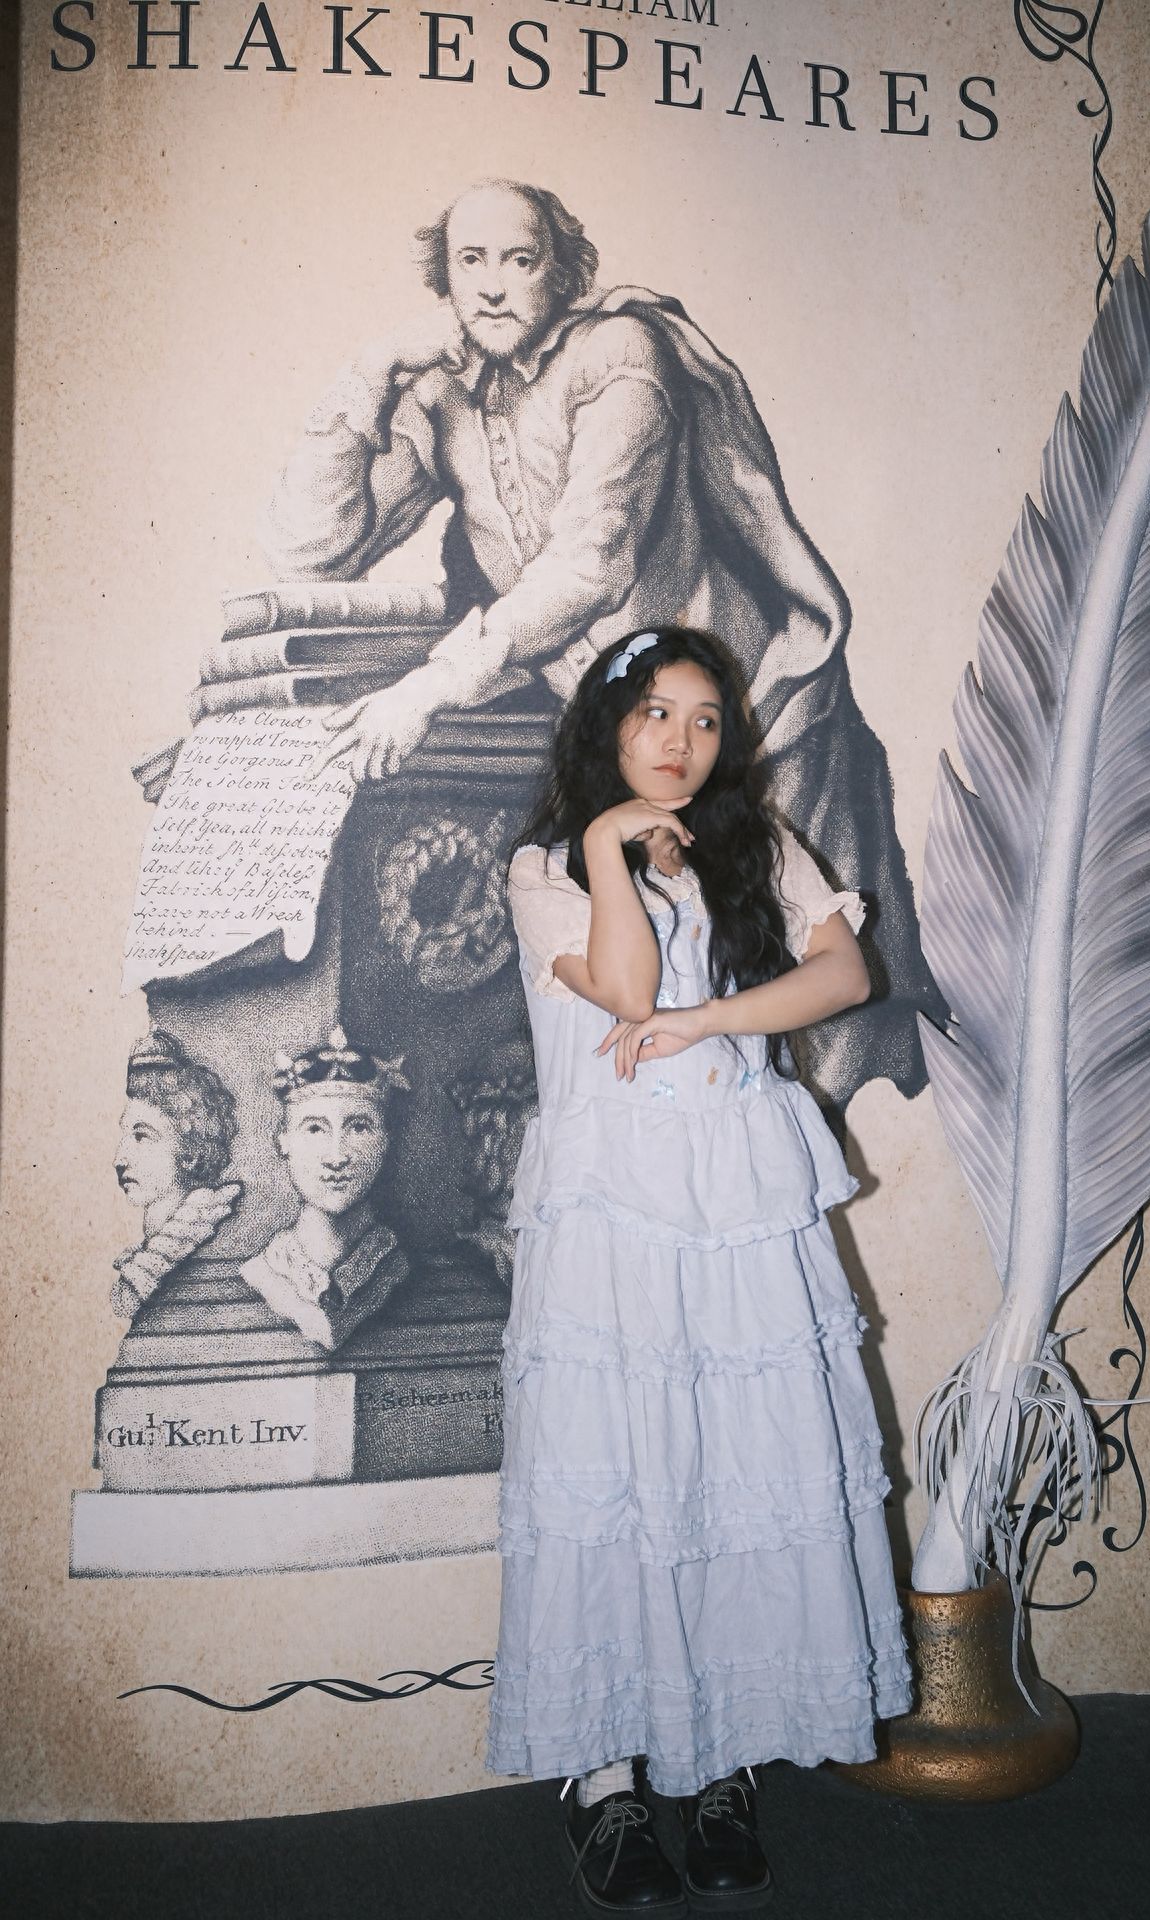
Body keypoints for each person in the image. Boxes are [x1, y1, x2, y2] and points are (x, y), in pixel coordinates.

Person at [263, 178, 944, 1109]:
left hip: (744, 722)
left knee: (784, 1031)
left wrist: (430, 685)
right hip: (614, 746)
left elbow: (594, 559)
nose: (494, 286)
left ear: (564, 271)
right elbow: (313, 548)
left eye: (520, 259)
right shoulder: (439, 391)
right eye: (471, 261)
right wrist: (367, 374)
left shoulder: (619, 353)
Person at [487, 628, 911, 1915]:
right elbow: (620, 987)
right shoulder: (543, 865)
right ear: (605, 729)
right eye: (654, 716)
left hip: (735, 1188)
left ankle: (721, 1758)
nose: (680, 743)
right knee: (616, 1471)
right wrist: (614, 850)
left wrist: (714, 1017)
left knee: (735, 1463)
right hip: (610, 1204)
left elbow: (843, 970)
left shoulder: (753, 845)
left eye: (706, 720)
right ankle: (602, 1781)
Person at [241, 1028, 410, 1352]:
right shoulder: (264, 1272)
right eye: (315, 1128)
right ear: (284, 1142)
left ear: (386, 1140)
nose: (336, 1157)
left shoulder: (399, 1266)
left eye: (359, 1127)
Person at [111, 1030, 241, 1320]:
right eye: (126, 1136)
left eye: (142, 1137)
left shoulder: (207, 1255)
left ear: (190, 1151)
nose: (119, 1159)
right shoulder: (143, 1254)